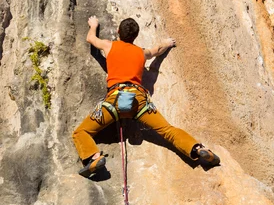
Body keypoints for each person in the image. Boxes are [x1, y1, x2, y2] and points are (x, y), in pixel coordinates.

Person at [72, 16, 219, 177]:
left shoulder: (109, 45)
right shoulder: (141, 53)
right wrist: (167, 43)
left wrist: (94, 25)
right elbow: (157, 50)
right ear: (135, 36)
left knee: (81, 132)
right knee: (167, 130)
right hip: (138, 101)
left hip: (114, 100)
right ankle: (197, 148)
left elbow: (90, 38)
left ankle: (93, 157)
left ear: (118, 31)